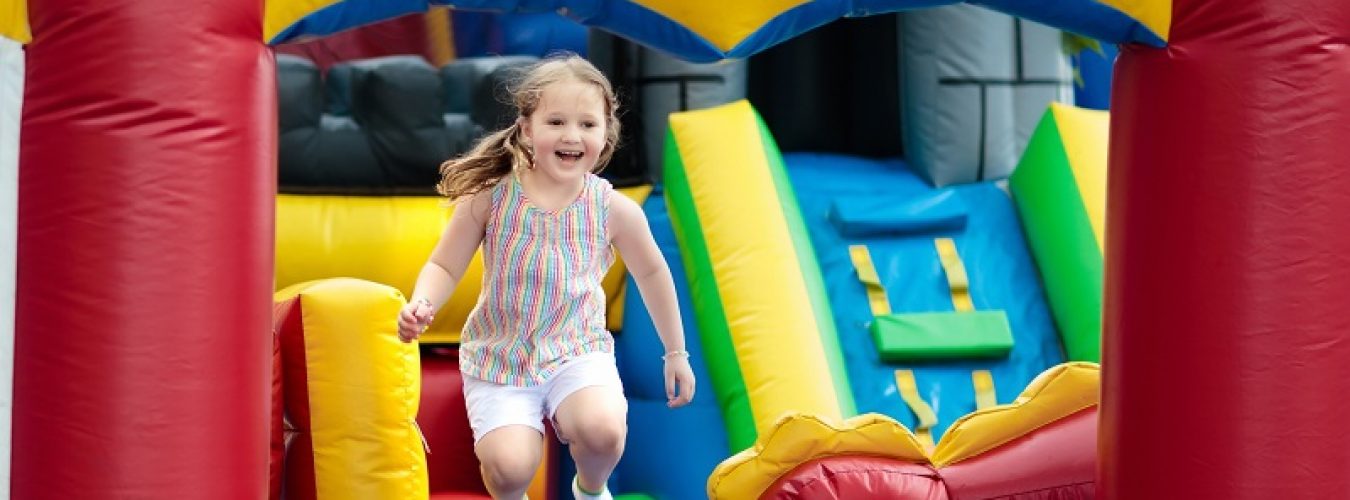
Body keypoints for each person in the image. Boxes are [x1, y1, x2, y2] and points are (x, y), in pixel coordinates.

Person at [396, 54, 695, 500]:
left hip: (576, 350)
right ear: (527, 130)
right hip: (501, 358)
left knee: (603, 431)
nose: (572, 135)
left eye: (587, 125)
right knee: (510, 467)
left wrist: (676, 351)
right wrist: (424, 303)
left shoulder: (613, 210)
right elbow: (444, 264)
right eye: (556, 121)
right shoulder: (491, 199)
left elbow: (652, 273)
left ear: (605, 134)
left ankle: (590, 490)